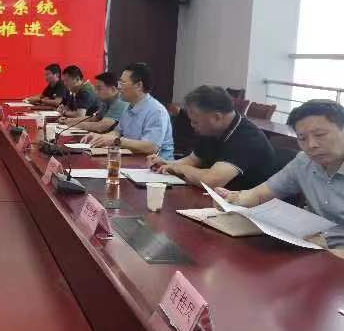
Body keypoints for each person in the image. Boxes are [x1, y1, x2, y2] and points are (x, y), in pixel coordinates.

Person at [218, 100, 344, 248]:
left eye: (320, 135)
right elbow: (260, 194)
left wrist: (330, 251)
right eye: (302, 138)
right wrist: (232, 199)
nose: (311, 145)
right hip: (309, 244)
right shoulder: (303, 162)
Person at [147, 85, 276, 189]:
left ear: (217, 117)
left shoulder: (247, 138)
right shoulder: (210, 130)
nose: (192, 125)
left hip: (248, 207)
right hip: (220, 198)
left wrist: (181, 169)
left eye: (195, 122)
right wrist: (167, 164)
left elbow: (212, 180)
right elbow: (193, 160)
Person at [84, 62, 174, 158]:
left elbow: (151, 147)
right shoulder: (128, 107)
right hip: (133, 160)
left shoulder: (156, 111)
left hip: (156, 164)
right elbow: (118, 132)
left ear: (138, 85)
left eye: (122, 83)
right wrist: (101, 137)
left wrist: (116, 141)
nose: (118, 87)